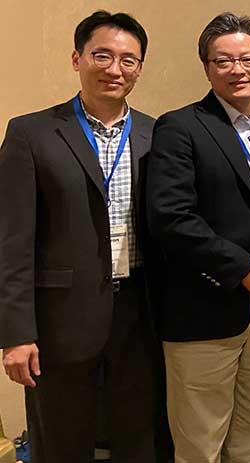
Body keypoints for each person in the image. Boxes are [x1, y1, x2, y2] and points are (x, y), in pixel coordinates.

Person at [145, 12, 250, 463]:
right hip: (206, 304)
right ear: (206, 67)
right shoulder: (181, 127)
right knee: (201, 438)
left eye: (248, 59)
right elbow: (171, 217)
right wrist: (238, 267)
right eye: (223, 61)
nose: (238, 70)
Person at [0, 10, 165, 462]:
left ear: (140, 68)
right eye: (103, 55)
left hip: (139, 312)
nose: (115, 69)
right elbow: (11, 241)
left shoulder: (158, 134)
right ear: (77, 59)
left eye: (128, 60)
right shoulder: (31, 133)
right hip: (58, 320)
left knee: (139, 438)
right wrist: (15, 333)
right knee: (61, 441)